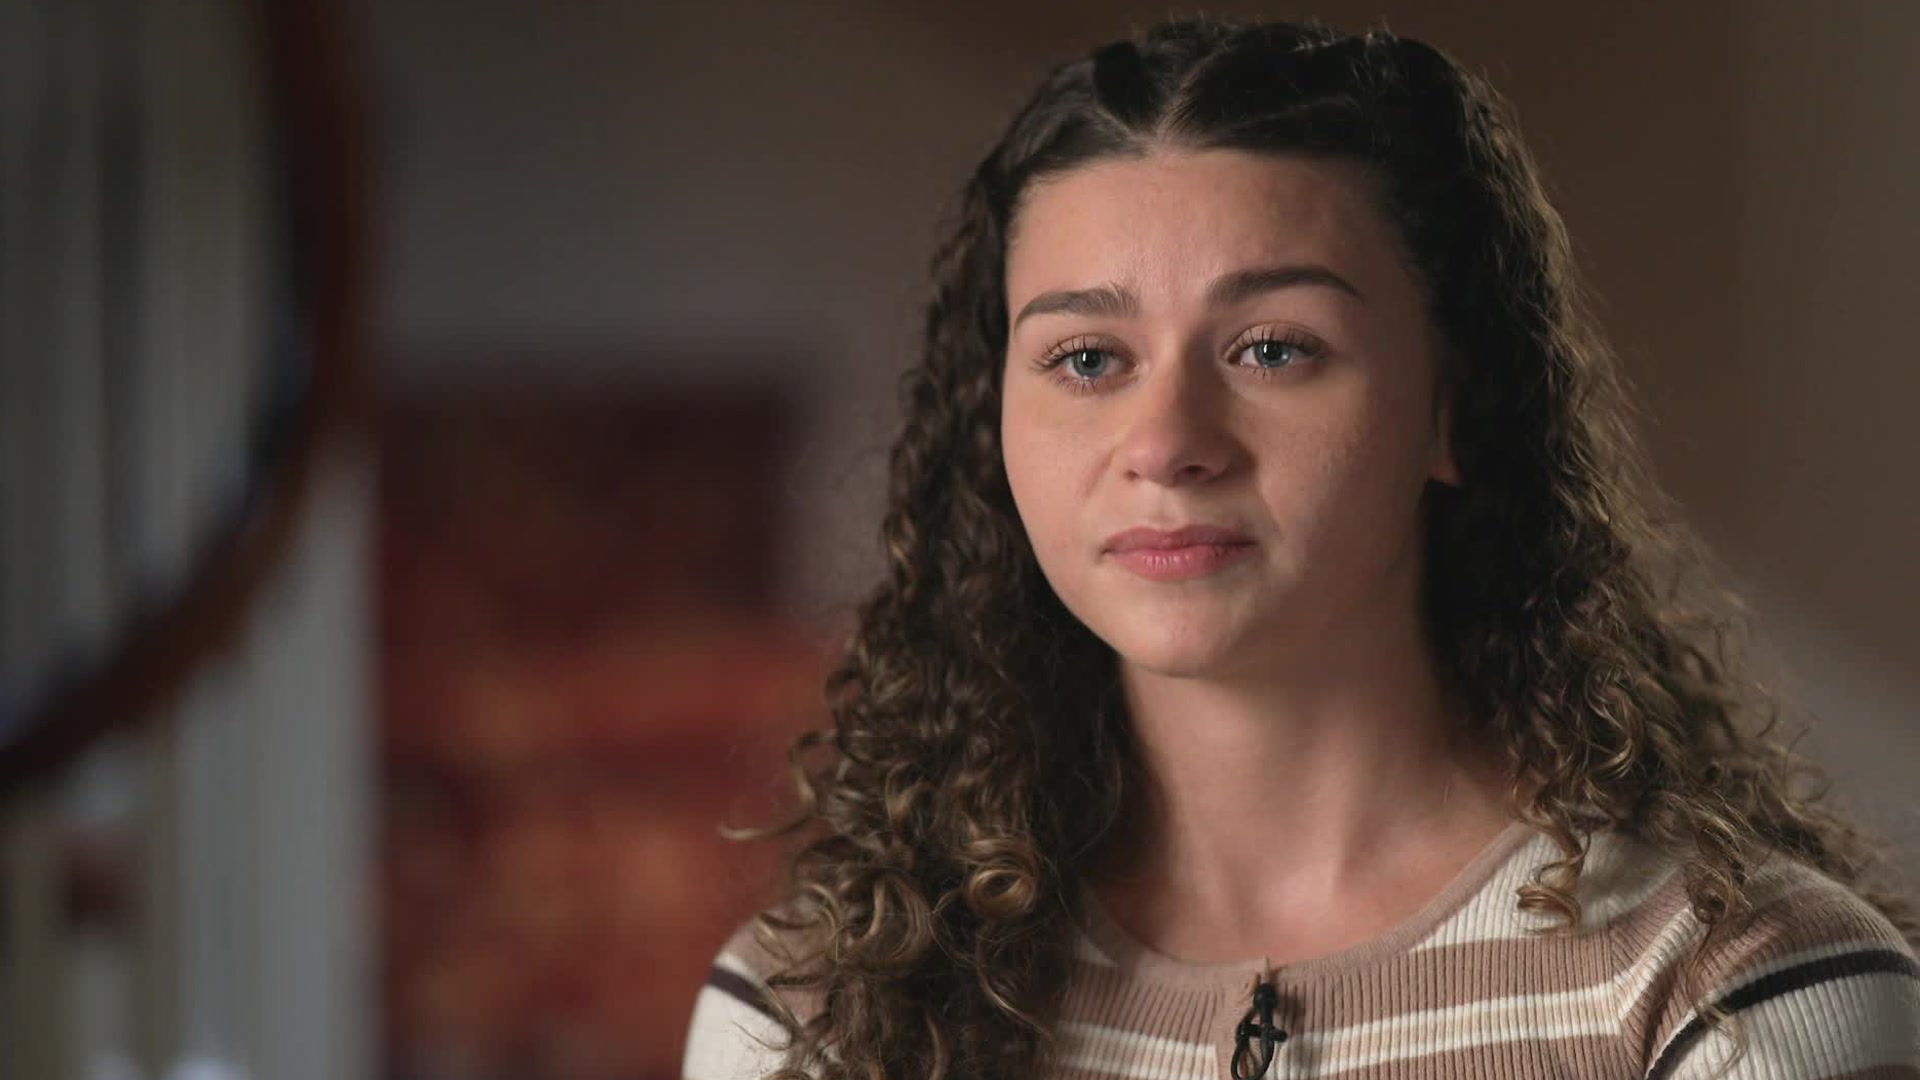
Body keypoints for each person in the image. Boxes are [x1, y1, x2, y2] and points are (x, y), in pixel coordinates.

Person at [682, 16, 1920, 1080]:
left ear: (1450, 408)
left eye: (1274, 349)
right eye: (1087, 359)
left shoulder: (1736, 988)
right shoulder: (813, 1017)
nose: (1166, 444)